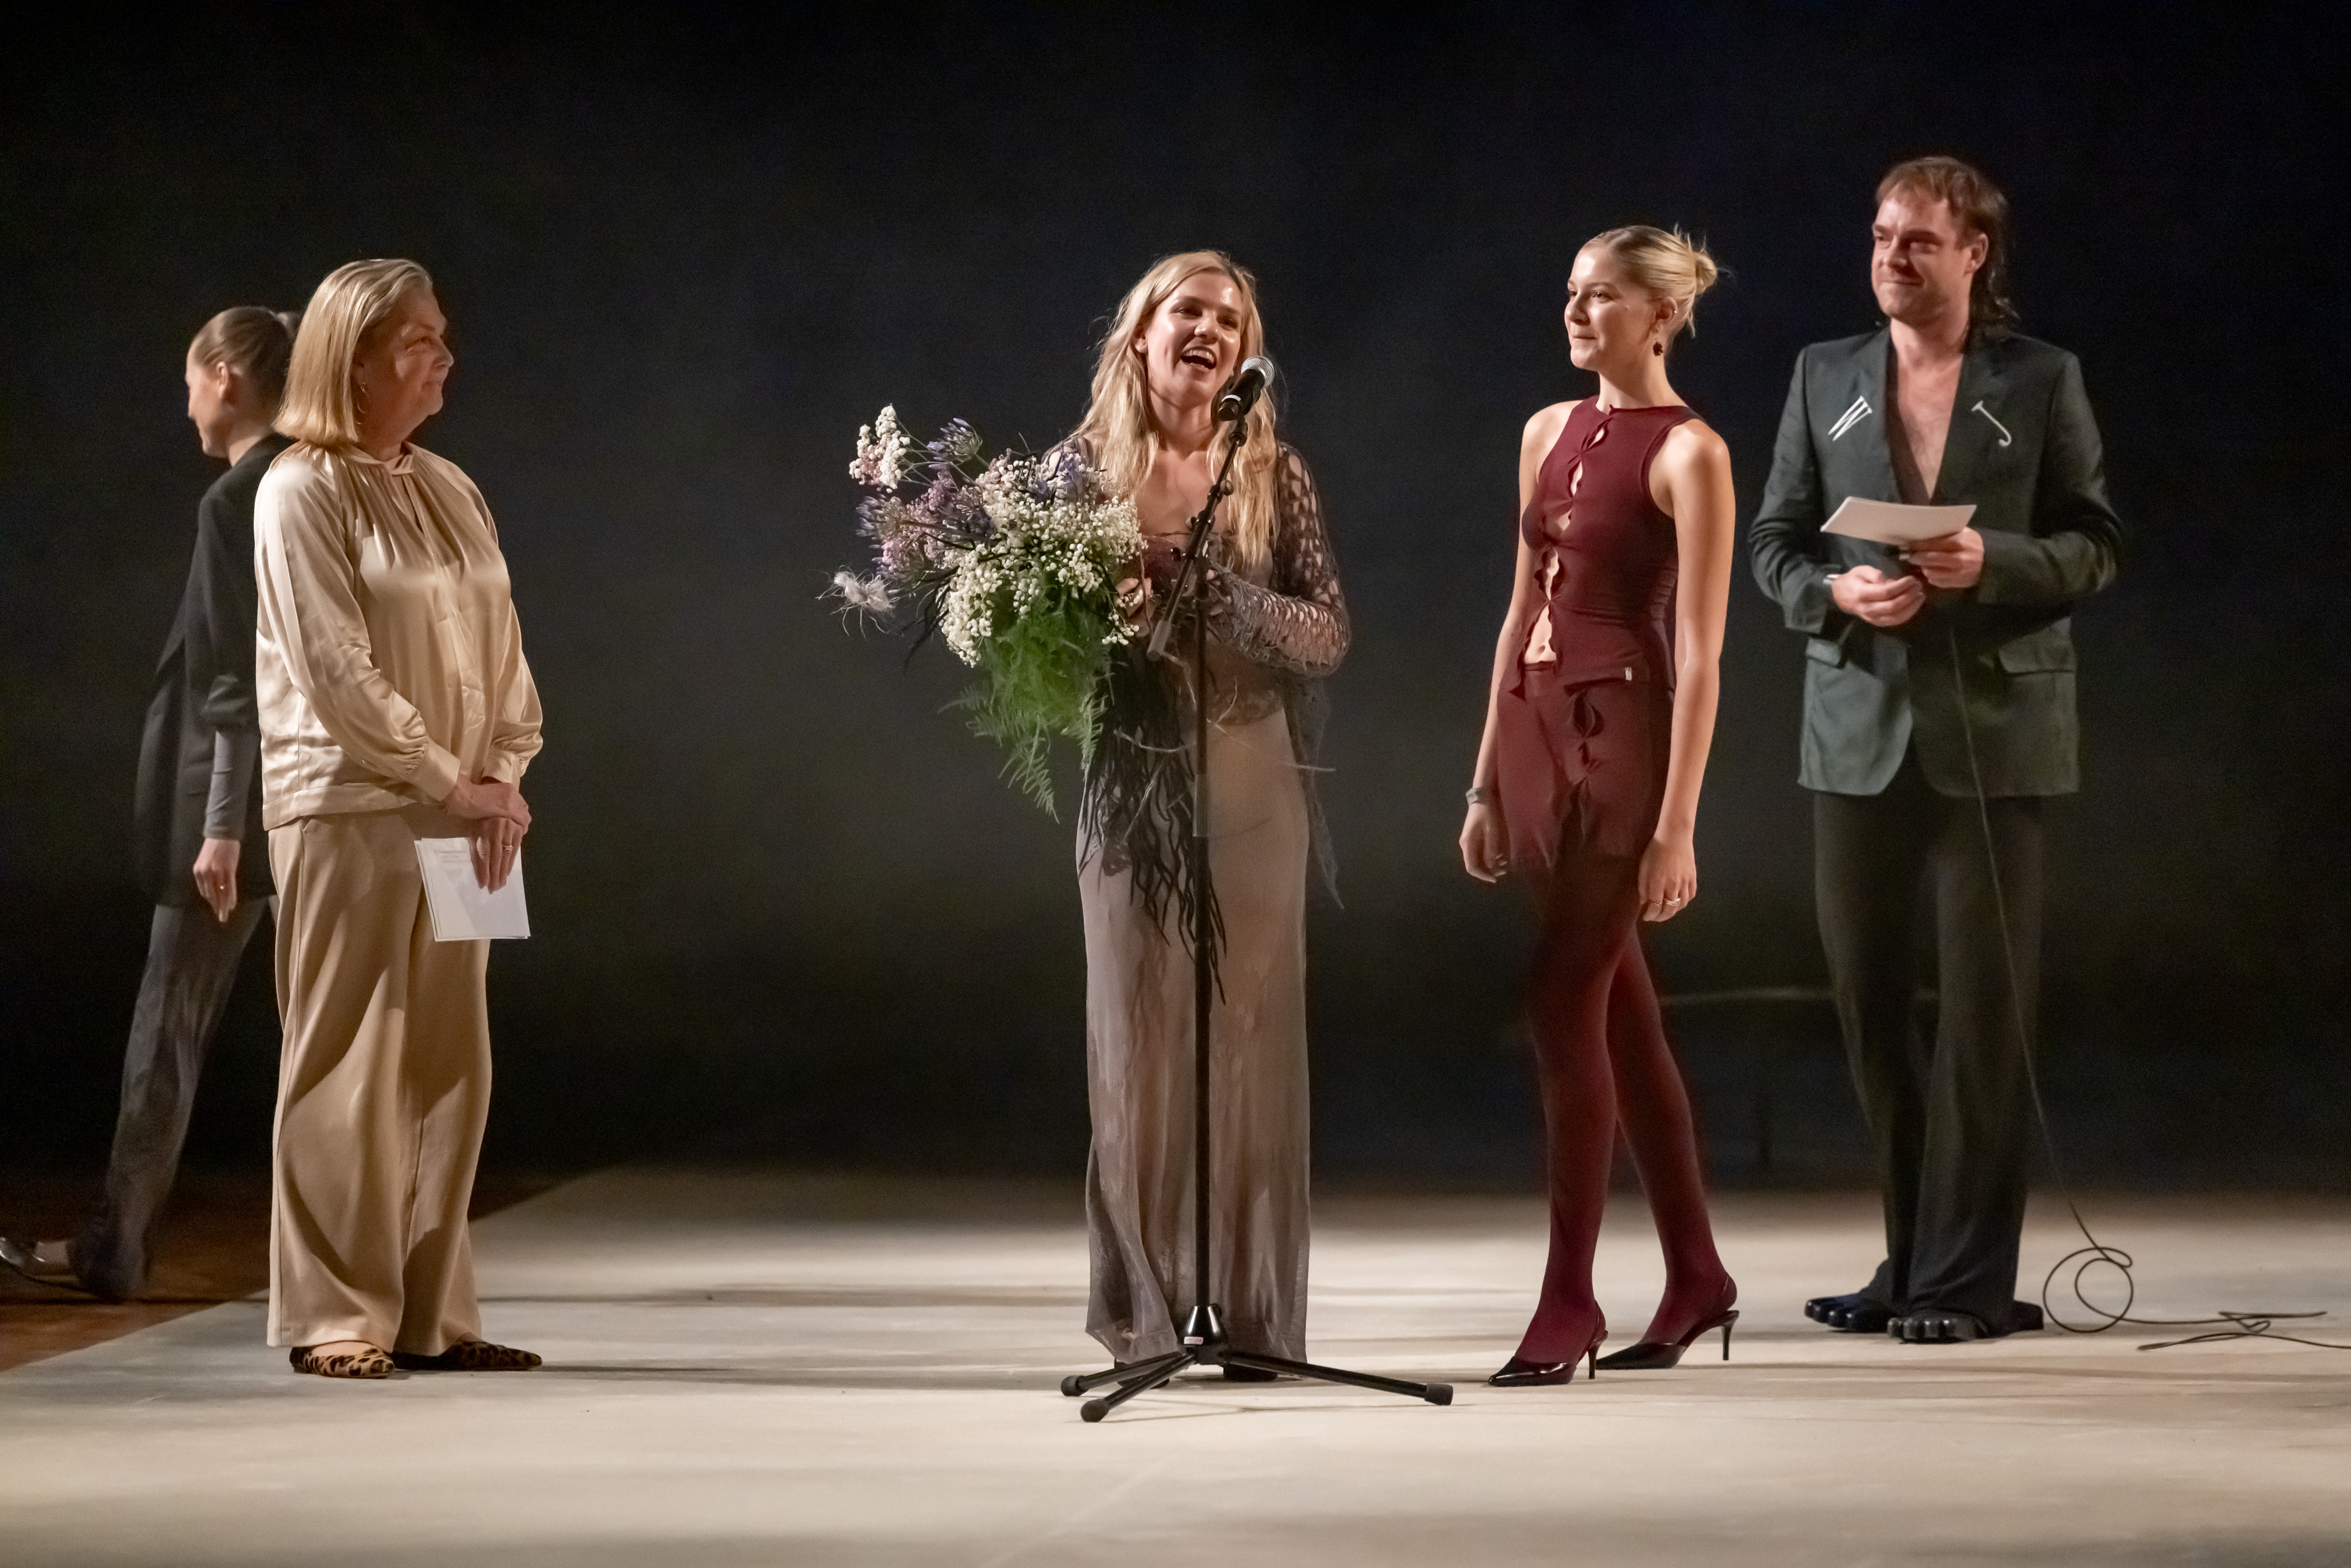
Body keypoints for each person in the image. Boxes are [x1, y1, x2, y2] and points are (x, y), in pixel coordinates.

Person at [1749, 157, 2121, 1344]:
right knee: (1869, 1004)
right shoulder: (1826, 376)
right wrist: (1834, 594)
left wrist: (1993, 566)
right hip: (1854, 728)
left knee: (1981, 1018)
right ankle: (1911, 1265)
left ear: (1975, 254)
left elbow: (2095, 544)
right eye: (1879, 235)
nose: (1890, 255)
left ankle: (1968, 1284)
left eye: (1917, 239)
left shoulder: (2041, 378)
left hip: (1994, 734)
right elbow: (1773, 544)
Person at [1459, 227, 1741, 1386]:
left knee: (1562, 998)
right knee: (1624, 1018)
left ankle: (1568, 1297)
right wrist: (1483, 776)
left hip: (1623, 740)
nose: (1575, 311)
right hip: (1534, 731)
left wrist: (1678, 824)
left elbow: (1706, 656)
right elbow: (1517, 600)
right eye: (1569, 291)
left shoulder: (1693, 454)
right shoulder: (1545, 431)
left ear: (1660, 315)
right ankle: (1698, 1276)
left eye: (1602, 296)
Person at [1058, 252, 1348, 1375]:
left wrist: (1207, 586)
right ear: (1140, 334)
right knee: (1136, 1042)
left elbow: (1328, 636)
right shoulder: (1075, 476)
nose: (1212, 330)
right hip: (1132, 778)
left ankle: (1257, 1320)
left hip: (1251, 779)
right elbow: (1020, 643)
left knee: (1250, 1044)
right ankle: (1141, 1319)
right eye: (1191, 311)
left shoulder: (1279, 477)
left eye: (1232, 319)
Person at [254, 259, 543, 1378]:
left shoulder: (451, 485)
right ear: (355, 357)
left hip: (469, 806)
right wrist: (441, 776)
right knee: (348, 1055)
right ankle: (339, 1311)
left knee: (447, 1061)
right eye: (418, 339)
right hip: (353, 803)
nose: (443, 355)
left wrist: (506, 769)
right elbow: (333, 664)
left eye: (441, 334)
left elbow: (502, 641)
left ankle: (432, 1312)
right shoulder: (301, 489)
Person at [0, 309, 297, 1301]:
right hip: (314, 796)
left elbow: (234, 680)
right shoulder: (322, 483)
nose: (187, 405)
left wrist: (220, 820)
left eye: (187, 382)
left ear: (223, 377)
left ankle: (114, 1244)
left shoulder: (242, 497)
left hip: (240, 804)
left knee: (168, 1025)